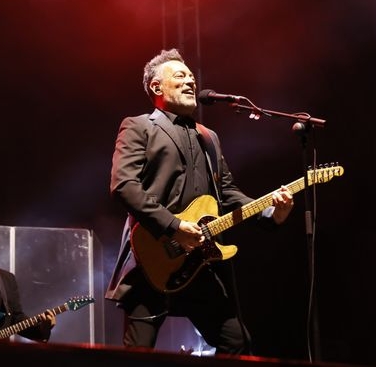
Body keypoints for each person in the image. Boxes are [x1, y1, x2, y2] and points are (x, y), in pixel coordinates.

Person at [105, 48, 295, 355]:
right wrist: (174, 226)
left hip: (198, 263)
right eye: (180, 76)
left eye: (192, 77)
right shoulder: (139, 126)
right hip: (151, 258)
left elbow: (227, 193)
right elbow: (124, 185)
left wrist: (270, 212)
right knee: (138, 354)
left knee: (236, 341)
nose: (191, 81)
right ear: (156, 87)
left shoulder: (209, 137)